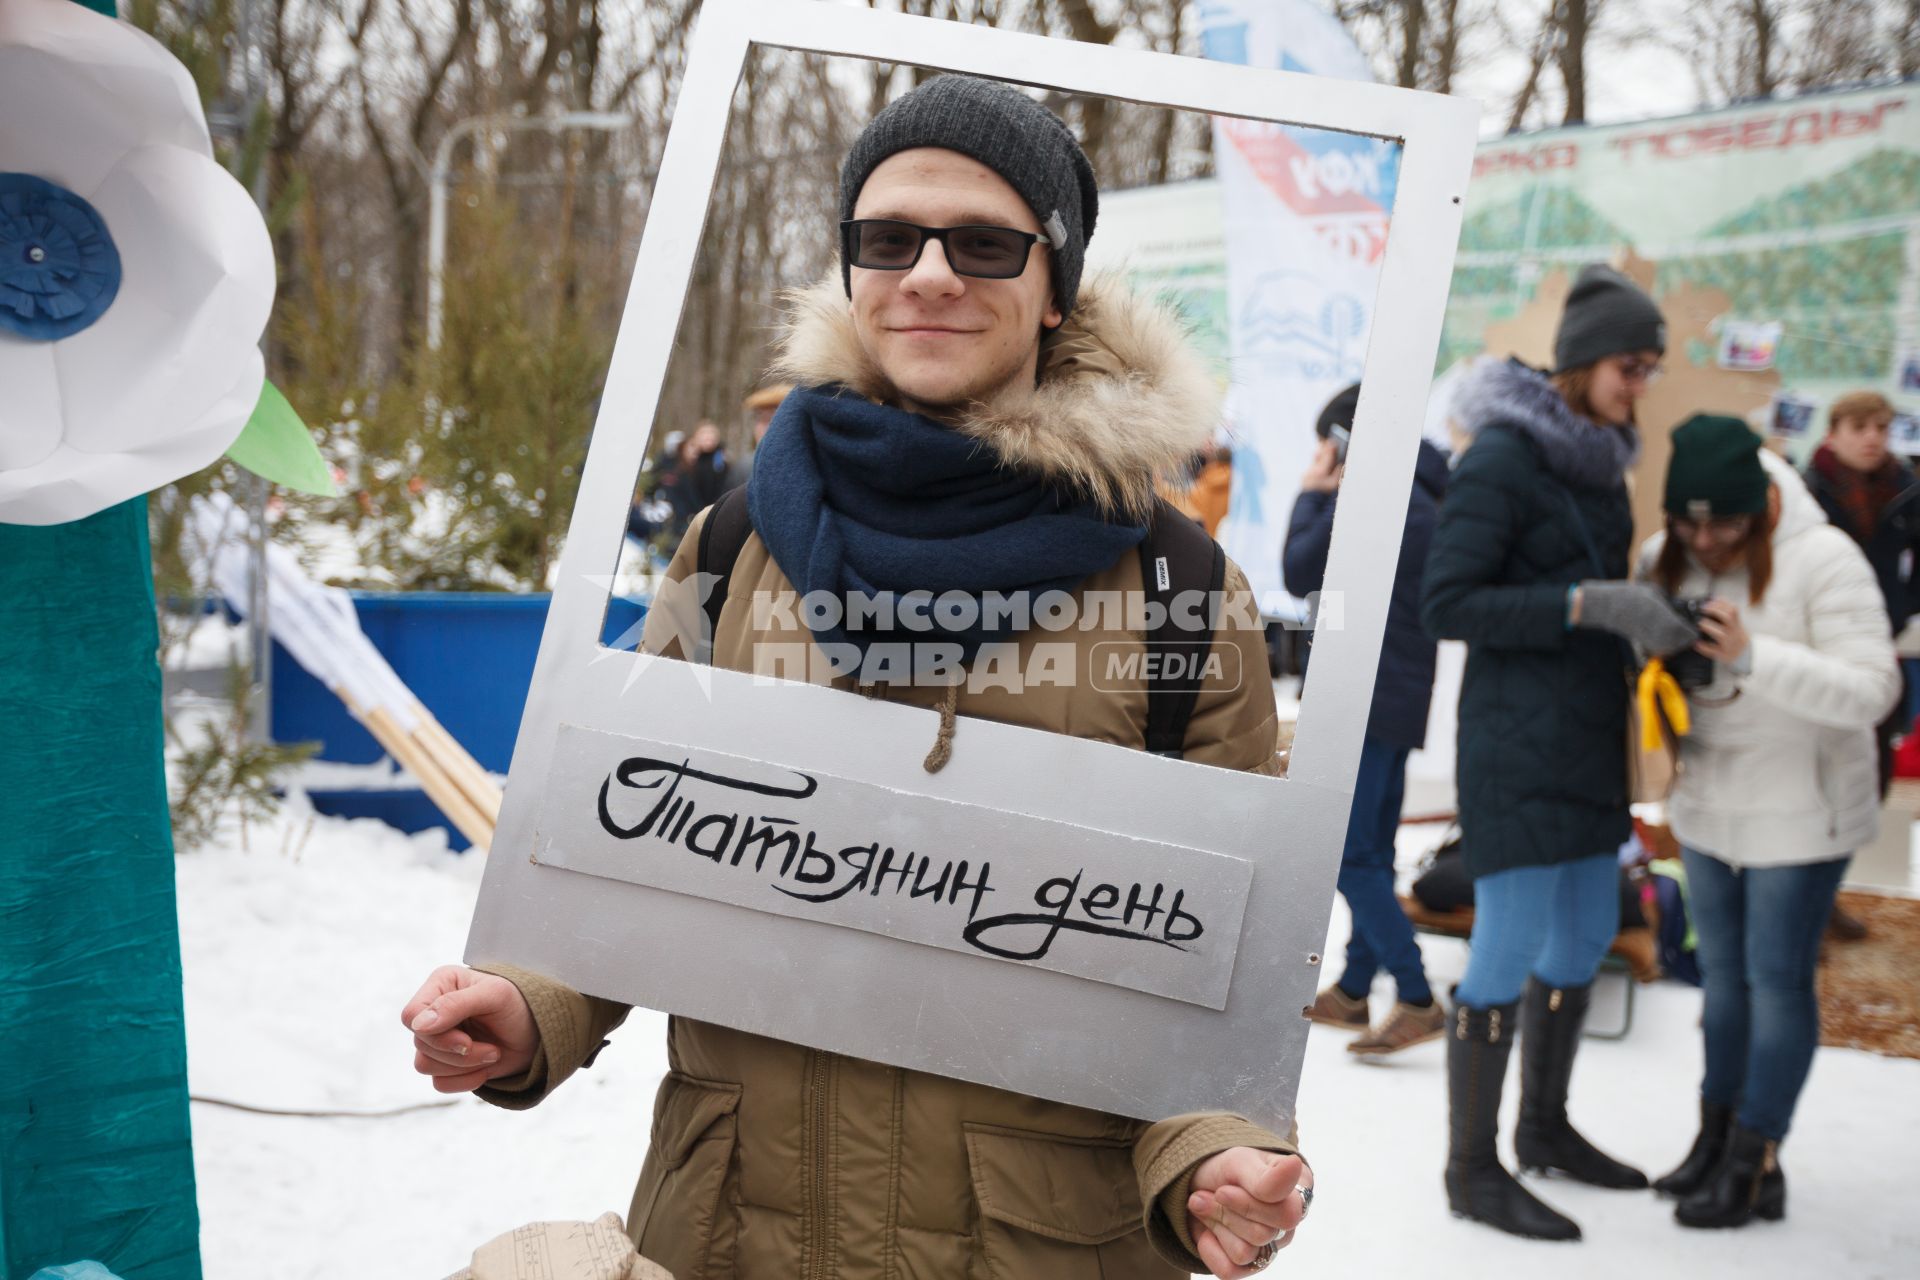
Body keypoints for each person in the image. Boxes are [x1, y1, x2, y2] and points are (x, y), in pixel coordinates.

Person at [400, 75, 1311, 1280]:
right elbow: (617, 845)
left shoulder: (1180, 584)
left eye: (985, 242)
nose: (930, 273)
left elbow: (1221, 963)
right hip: (733, 1226)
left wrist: (1217, 1155)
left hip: (1036, 1242)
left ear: (1056, 288)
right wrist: (528, 1006)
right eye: (889, 237)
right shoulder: (731, 542)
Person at [1421, 264, 1699, 1241]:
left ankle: (1544, 1128)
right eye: (1633, 364)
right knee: (1504, 946)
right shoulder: (1501, 454)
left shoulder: (1603, 461)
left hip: (1589, 740)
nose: (1642, 384)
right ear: (1584, 362)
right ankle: (1470, 1166)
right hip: (1514, 745)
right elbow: (1446, 601)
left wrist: (1654, 616)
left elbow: (1595, 589)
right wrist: (1586, 605)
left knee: (1583, 937)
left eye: (1651, 367)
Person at [1640, 417, 1898, 1228]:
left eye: (1726, 525)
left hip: (1804, 813)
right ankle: (1715, 1139)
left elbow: (1873, 690)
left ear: (1765, 512)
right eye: (1689, 522)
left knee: (1776, 983)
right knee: (1720, 985)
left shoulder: (1825, 560)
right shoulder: (1662, 555)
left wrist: (1753, 654)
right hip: (1711, 803)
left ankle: (1755, 1157)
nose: (1706, 540)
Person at [1286, 382, 1450, 1056]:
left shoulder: (1377, 500)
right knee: (1373, 851)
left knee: (1347, 856)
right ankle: (1355, 989)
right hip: (1396, 695)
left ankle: (1415, 996)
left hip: (1365, 695)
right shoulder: (1425, 495)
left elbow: (1299, 569)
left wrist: (1311, 493)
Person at [1800, 390, 1920, 793]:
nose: (1872, 438)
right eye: (1859, 427)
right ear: (1833, 434)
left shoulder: (1906, 492)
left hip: (1884, 637)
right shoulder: (1807, 492)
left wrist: (1905, 608)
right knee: (1819, 750)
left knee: (1876, 756)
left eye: (1881, 428)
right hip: (1819, 635)